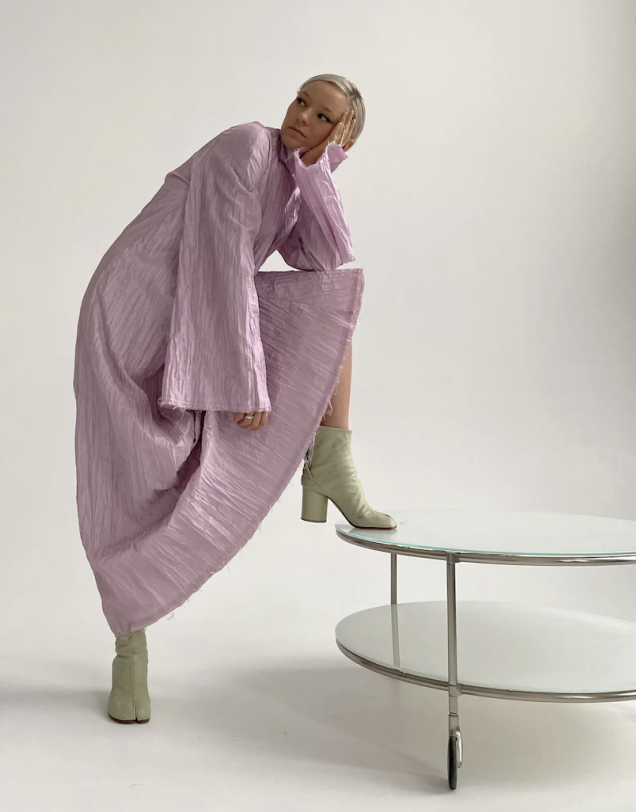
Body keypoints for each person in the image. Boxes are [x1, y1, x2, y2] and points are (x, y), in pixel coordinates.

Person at [73, 74, 396, 725]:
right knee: (129, 486)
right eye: (301, 101)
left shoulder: (292, 175)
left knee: (329, 301)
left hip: (190, 321)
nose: (301, 116)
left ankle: (332, 459)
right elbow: (219, 261)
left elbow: (323, 259)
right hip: (131, 312)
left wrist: (317, 173)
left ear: (342, 135)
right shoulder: (244, 146)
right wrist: (244, 379)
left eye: (323, 117)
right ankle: (129, 647)